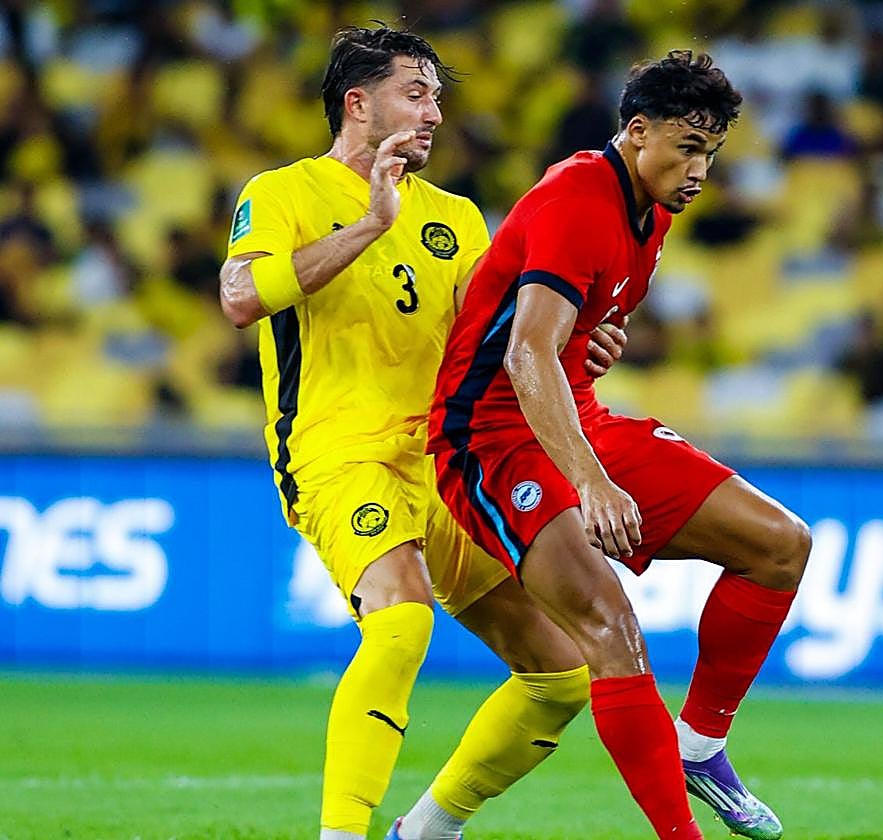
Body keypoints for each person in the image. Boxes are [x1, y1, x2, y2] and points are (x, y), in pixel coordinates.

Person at [219, 25, 628, 840]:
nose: (435, 110)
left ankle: (428, 828)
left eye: (439, 95)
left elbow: (494, 338)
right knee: (402, 619)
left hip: (443, 462)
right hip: (338, 453)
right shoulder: (285, 191)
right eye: (417, 92)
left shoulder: (456, 216)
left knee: (565, 674)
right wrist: (370, 224)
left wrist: (573, 342)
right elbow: (239, 297)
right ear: (357, 103)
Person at [429, 50, 812, 840]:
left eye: (711, 152)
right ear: (636, 133)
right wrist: (593, 483)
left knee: (779, 545)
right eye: (686, 147)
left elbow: (557, 327)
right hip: (491, 438)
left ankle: (700, 747)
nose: (700, 168)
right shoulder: (578, 197)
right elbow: (524, 353)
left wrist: (596, 337)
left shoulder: (655, 209)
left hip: (573, 415)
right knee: (611, 630)